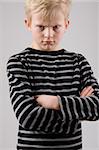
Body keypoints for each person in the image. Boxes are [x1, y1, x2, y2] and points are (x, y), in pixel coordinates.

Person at [6, 0, 99, 149]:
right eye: (41, 27)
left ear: (67, 24)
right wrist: (76, 113)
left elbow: (96, 107)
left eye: (56, 27)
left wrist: (56, 102)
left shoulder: (78, 62)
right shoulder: (19, 62)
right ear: (28, 23)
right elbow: (27, 116)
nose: (48, 34)